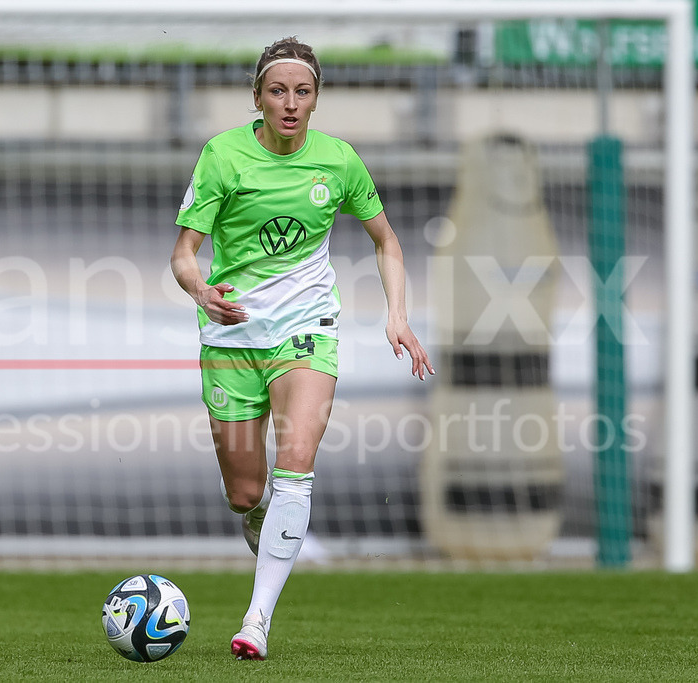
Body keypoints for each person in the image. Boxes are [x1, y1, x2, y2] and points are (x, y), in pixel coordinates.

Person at [170, 36, 433, 661]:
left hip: (306, 328)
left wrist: (397, 315)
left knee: (297, 462)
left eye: (303, 92)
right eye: (278, 91)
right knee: (245, 492)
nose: (290, 104)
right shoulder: (223, 157)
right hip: (233, 334)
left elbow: (387, 242)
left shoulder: (338, 161)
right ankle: (263, 523)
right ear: (258, 97)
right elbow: (183, 255)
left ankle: (256, 621)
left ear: (316, 98)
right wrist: (202, 291)